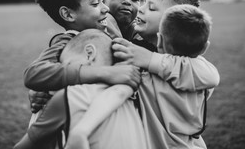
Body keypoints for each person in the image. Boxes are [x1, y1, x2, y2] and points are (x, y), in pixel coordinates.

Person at [60, 0, 220, 149]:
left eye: (151, 7)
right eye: (143, 2)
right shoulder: (141, 57)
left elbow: (211, 75)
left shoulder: (192, 69)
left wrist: (149, 59)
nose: (141, 9)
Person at [22, 0, 141, 130]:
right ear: (68, 14)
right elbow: (34, 74)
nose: (105, 8)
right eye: (95, 3)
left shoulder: (111, 27)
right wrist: (106, 73)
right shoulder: (68, 41)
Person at [14, 29, 147, 149]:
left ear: (89, 54)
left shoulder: (70, 97)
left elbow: (24, 146)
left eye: (68, 65)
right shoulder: (134, 95)